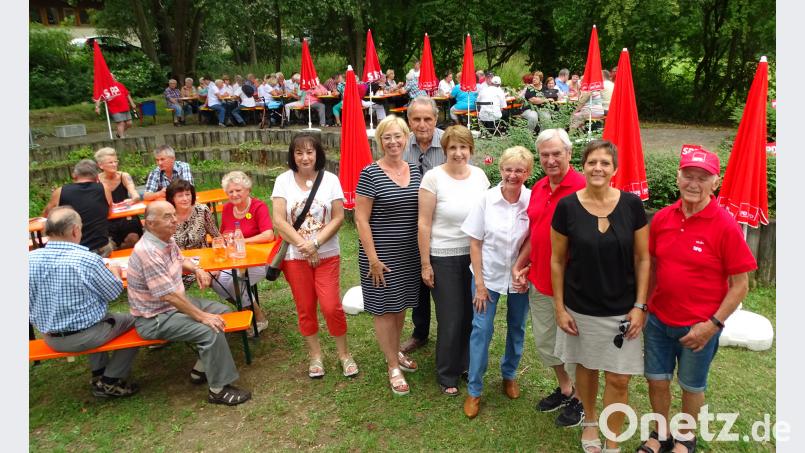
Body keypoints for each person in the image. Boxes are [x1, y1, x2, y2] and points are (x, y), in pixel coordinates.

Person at [637, 149, 757, 453]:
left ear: (714, 183)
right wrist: (645, 307)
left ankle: (686, 437)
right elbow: (650, 264)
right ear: (678, 177)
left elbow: (740, 285)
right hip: (659, 321)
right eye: (688, 175)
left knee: (691, 386)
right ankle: (660, 434)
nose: (694, 183)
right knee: (656, 381)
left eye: (702, 178)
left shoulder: (725, 225)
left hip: (699, 327)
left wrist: (712, 325)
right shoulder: (663, 218)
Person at [550, 140, 650, 452]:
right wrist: (559, 308)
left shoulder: (632, 206)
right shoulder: (567, 207)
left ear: (614, 169)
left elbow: (643, 259)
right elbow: (556, 260)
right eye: (592, 162)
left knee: (619, 379)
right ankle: (591, 422)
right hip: (581, 309)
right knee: (587, 369)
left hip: (623, 310)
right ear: (583, 166)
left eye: (605, 163)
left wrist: (640, 306)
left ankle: (612, 436)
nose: (598, 168)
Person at [127, 201, 252, 406]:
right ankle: (218, 390)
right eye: (167, 217)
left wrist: (196, 269)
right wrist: (202, 316)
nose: (174, 220)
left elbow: (180, 258)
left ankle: (200, 369)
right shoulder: (148, 252)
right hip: (155, 317)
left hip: (173, 306)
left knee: (223, 312)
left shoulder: (165, 240)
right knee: (210, 329)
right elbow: (168, 296)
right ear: (149, 224)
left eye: (173, 215)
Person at [512, 128, 586, 427]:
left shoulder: (583, 187)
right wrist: (520, 263)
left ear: (569, 154)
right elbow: (536, 231)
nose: (551, 159)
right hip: (540, 281)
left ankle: (581, 399)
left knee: (573, 347)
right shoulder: (540, 187)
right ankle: (566, 388)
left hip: (573, 287)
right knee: (546, 342)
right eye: (545, 155)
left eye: (557, 153)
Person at [271, 133, 359, 379]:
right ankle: (315, 356)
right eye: (299, 153)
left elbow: (339, 217)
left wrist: (316, 244)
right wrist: (303, 245)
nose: (305, 157)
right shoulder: (283, 181)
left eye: (309, 152)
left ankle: (344, 354)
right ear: (293, 156)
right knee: (305, 307)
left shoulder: (330, 179)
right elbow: (279, 220)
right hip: (295, 257)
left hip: (327, 254)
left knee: (331, 306)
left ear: (318, 153)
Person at [29, 206, 139, 398]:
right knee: (138, 321)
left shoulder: (28, 259)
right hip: (85, 336)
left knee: (95, 318)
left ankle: (98, 373)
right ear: (74, 230)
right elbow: (113, 292)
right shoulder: (86, 260)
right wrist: (114, 273)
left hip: (51, 337)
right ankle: (109, 381)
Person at [418, 125, 490, 396]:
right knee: (451, 317)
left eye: (463, 147)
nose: (458, 153)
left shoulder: (481, 176)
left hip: (474, 256)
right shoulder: (433, 178)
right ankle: (446, 373)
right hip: (443, 256)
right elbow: (424, 223)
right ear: (445, 150)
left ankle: (466, 363)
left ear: (471, 150)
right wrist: (426, 263)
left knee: (472, 314)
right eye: (452, 148)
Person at [462, 146, 533, 418]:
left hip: (519, 277)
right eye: (508, 169)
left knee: (517, 327)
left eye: (519, 170)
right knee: (481, 329)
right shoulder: (486, 199)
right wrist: (479, 283)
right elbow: (475, 242)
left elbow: (534, 239)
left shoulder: (531, 200)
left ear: (528, 172)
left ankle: (509, 374)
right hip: (488, 275)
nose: (513, 175)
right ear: (500, 169)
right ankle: (474, 390)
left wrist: (526, 268)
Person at [355, 115, 422, 396]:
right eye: (386, 137)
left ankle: (394, 352)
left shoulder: (416, 170)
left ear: (406, 138)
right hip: (380, 255)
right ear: (379, 141)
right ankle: (393, 364)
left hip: (409, 253)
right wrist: (372, 258)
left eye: (397, 136)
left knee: (400, 305)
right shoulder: (370, 173)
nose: (393, 142)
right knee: (383, 309)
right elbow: (360, 219)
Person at [400, 96, 446, 354]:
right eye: (416, 119)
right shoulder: (401, 144)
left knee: (443, 281)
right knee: (418, 279)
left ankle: (447, 330)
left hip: (443, 223)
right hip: (412, 222)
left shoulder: (449, 142)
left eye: (427, 119)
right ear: (409, 121)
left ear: (436, 119)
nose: (422, 124)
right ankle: (420, 332)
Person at [211, 171, 274, 334]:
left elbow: (269, 235)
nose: (234, 194)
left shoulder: (258, 206)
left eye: (238, 190)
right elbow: (223, 234)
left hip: (259, 261)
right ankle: (246, 311)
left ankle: (258, 317)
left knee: (235, 282)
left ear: (247, 189)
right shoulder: (226, 209)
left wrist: (242, 241)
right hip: (234, 260)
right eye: (230, 191)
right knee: (214, 279)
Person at [42, 159, 113, 257]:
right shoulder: (104, 188)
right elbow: (109, 213)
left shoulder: (61, 191)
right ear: (97, 176)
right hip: (101, 247)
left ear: (74, 175)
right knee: (109, 245)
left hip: (72, 250)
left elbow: (47, 215)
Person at [95, 147, 143, 249]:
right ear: (100, 165)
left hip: (126, 215)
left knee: (133, 237)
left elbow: (135, 194)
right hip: (107, 218)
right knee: (107, 246)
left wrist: (133, 199)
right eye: (110, 162)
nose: (114, 164)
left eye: (115, 161)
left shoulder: (124, 176)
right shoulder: (96, 180)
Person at [94, 73, 137, 139]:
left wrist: (132, 103)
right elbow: (99, 98)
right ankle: (122, 138)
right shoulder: (104, 87)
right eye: (110, 77)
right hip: (115, 109)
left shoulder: (120, 85)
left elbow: (127, 94)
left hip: (125, 107)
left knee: (129, 123)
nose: (113, 78)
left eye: (113, 76)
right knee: (121, 123)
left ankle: (119, 133)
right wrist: (97, 107)